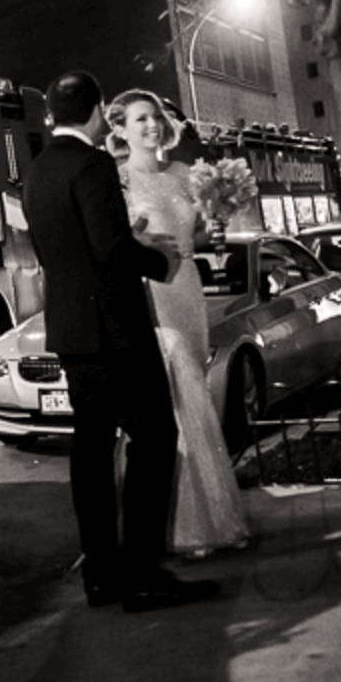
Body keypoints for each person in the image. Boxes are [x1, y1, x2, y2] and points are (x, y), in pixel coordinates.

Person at [24, 71, 218, 612]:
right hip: (115, 330)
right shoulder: (91, 165)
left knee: (90, 452)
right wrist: (161, 258)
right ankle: (141, 572)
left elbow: (66, 247)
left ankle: (102, 578)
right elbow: (109, 250)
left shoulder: (39, 169)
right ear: (97, 111)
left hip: (71, 330)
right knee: (153, 438)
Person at [108, 89, 251, 556]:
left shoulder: (187, 174)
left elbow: (205, 235)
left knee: (195, 399)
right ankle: (177, 528)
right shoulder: (118, 181)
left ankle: (211, 520)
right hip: (151, 295)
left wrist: (221, 215)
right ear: (121, 129)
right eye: (139, 119)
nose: (151, 125)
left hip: (189, 288)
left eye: (155, 117)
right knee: (174, 395)